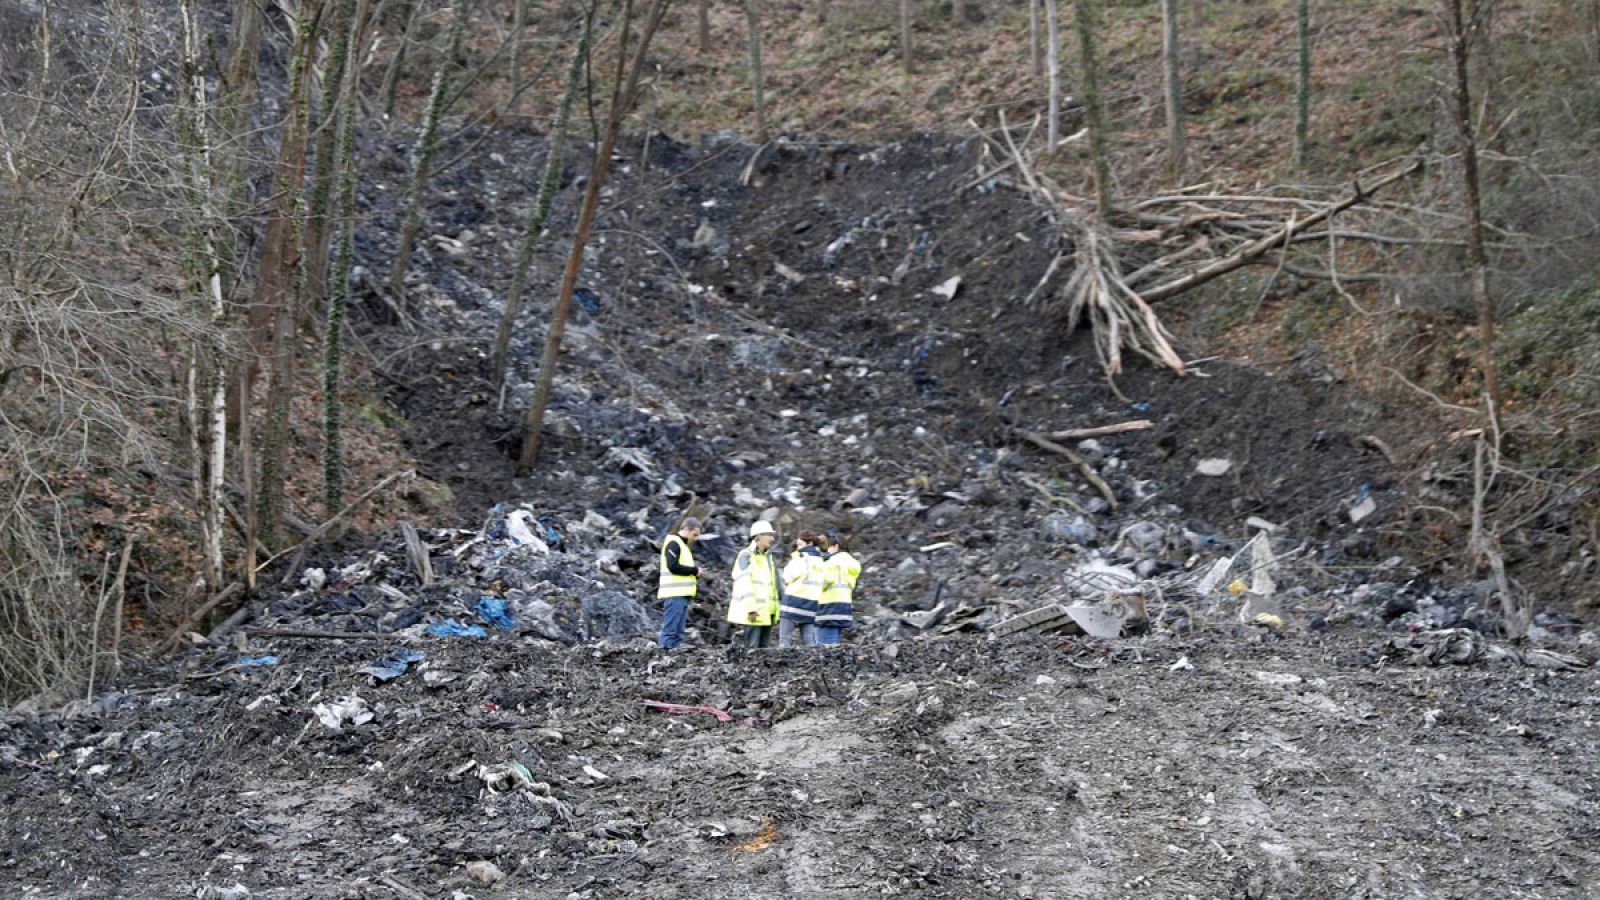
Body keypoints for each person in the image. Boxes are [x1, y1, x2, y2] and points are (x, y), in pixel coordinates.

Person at [727, 520, 780, 648]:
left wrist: (776, 610)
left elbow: (774, 586)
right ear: (759, 536)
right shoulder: (746, 556)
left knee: (763, 652)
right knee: (752, 651)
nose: (772, 539)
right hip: (754, 614)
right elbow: (743, 584)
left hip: (767, 613)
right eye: (769, 535)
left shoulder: (768, 558)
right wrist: (751, 609)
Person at [656, 516, 701, 650]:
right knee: (670, 631)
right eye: (695, 534)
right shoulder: (674, 543)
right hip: (674, 594)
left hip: (682, 595)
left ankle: (672, 659)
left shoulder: (683, 545)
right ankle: (664, 657)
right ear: (687, 530)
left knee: (678, 632)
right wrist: (694, 570)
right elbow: (673, 566)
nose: (696, 538)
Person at [779, 529, 828, 648]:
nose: (798, 548)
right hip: (811, 605)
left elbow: (787, 576)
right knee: (810, 643)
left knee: (784, 642)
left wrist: (794, 558)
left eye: (800, 544)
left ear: (809, 543)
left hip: (792, 603)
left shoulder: (801, 559)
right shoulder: (822, 561)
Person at [816, 533, 860, 646]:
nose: (827, 551)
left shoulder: (832, 562)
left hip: (828, 606)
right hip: (844, 606)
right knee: (834, 645)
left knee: (825, 647)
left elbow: (822, 582)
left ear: (836, 546)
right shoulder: (852, 563)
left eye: (829, 547)